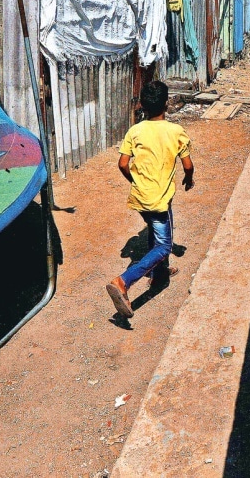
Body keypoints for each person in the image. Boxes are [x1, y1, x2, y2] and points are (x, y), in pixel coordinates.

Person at [106, 81, 194, 319]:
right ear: (166, 103)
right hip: (158, 198)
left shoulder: (135, 131)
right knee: (164, 245)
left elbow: (123, 164)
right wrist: (189, 178)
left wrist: (136, 181)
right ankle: (123, 281)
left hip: (141, 196)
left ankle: (160, 274)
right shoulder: (176, 132)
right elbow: (187, 165)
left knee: (156, 229)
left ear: (143, 105)